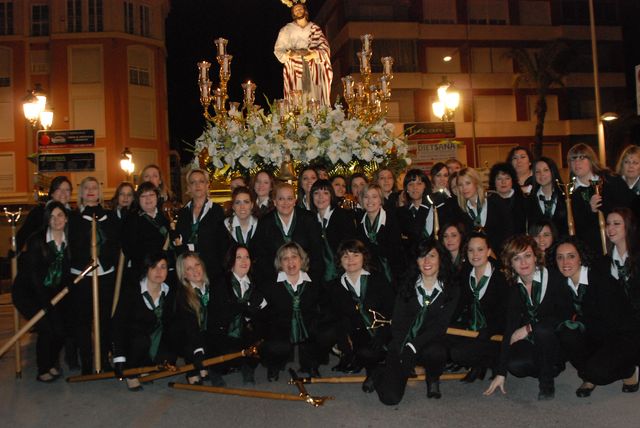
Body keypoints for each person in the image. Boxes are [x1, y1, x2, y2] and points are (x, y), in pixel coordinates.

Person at [484, 235, 571, 400]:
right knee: (515, 366)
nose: (523, 263)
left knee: (543, 330)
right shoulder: (515, 288)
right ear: (510, 263)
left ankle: (547, 383)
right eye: (516, 258)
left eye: (527, 256)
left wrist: (528, 328)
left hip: (558, 339)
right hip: (535, 342)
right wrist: (500, 373)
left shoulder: (554, 278)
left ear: (536, 256)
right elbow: (510, 328)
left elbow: (564, 316)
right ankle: (548, 366)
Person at [374, 239, 460, 404]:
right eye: (421, 257)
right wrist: (402, 348)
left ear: (440, 259)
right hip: (403, 342)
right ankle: (379, 373)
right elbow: (397, 322)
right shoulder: (407, 285)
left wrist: (414, 345)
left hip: (430, 342)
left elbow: (440, 326)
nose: (426, 261)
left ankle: (433, 379)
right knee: (391, 398)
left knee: (437, 352)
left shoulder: (452, 288)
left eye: (432, 256)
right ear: (416, 261)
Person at [554, 237, 638, 397]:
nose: (565, 262)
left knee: (598, 372)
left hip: (621, 337)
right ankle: (589, 375)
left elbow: (615, 325)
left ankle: (628, 370)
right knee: (567, 333)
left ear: (581, 258)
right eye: (560, 257)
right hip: (595, 334)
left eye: (571, 256)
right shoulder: (563, 284)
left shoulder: (600, 281)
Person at [12, 202, 70, 382]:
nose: (56, 220)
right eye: (52, 217)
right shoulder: (37, 240)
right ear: (47, 220)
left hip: (52, 292)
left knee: (61, 330)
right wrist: (44, 302)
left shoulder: (69, 242)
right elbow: (33, 275)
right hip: (28, 292)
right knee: (46, 328)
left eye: (60, 215)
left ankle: (52, 363)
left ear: (66, 218)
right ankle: (43, 368)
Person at [68, 176, 119, 374]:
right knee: (82, 321)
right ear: (81, 193)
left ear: (100, 192)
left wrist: (104, 259)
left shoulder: (110, 217)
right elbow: (72, 245)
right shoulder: (73, 218)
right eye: (86, 187)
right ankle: (87, 361)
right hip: (81, 276)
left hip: (105, 274)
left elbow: (115, 244)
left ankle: (103, 359)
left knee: (104, 319)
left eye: (94, 187)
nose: (90, 190)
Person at [328, 239, 394, 392]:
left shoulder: (377, 278)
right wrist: (344, 342)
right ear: (339, 261)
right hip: (359, 331)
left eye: (355, 255)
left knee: (394, 349)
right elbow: (337, 317)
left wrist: (383, 332)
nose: (350, 260)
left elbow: (391, 308)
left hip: (384, 328)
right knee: (365, 352)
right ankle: (376, 371)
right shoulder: (335, 286)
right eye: (345, 256)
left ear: (364, 257)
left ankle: (378, 371)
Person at [260, 242, 330, 381]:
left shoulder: (314, 282)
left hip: (307, 324)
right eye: (285, 258)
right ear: (280, 263)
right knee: (277, 345)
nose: (290, 262)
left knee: (321, 334)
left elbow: (325, 306)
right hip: (281, 326)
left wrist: (318, 324)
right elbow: (263, 314)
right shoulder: (270, 285)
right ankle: (274, 365)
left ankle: (311, 364)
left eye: (294, 257)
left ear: (301, 260)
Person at [112, 252, 176, 391]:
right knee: (140, 341)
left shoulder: (169, 292)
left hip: (155, 340)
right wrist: (120, 358)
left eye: (163, 267)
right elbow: (118, 324)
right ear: (146, 269)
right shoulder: (132, 291)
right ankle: (132, 373)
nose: (159, 271)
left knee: (169, 354)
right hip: (134, 342)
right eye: (154, 267)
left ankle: (146, 365)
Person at [449, 232, 508, 383]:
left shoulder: (501, 278)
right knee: (447, 344)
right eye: (471, 250)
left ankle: (486, 361)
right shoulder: (466, 273)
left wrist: (487, 332)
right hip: (472, 328)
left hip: (494, 331)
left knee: (461, 352)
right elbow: (459, 304)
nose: (475, 254)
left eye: (480, 249)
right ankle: (479, 362)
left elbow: (504, 316)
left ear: (489, 251)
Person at [210, 245, 267, 385]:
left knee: (262, 342)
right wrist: (245, 307)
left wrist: (252, 314)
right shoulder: (220, 282)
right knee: (228, 351)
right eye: (239, 257)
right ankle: (215, 371)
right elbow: (220, 313)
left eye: (247, 257)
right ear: (231, 261)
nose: (244, 261)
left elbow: (262, 308)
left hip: (246, 329)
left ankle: (247, 367)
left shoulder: (255, 282)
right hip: (224, 330)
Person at [250, 183, 324, 287]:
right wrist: (274, 282)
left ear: (295, 200)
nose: (285, 203)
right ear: (274, 201)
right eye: (281, 199)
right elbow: (262, 257)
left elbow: (317, 253)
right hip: (275, 281)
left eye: (289, 198)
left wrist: (310, 280)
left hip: (306, 279)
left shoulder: (308, 219)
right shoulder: (265, 223)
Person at [568, 143, 634, 255]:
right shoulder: (571, 194)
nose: (577, 163)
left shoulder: (611, 180)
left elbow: (629, 206)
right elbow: (577, 226)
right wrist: (591, 210)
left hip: (621, 243)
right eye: (573, 159)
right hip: (593, 249)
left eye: (582, 158)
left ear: (591, 160)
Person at [602, 207, 640, 392]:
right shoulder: (605, 261)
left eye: (617, 224)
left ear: (628, 227)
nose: (610, 228)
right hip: (619, 322)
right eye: (608, 224)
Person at [274, 1, 333, 106]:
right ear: (293, 13)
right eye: (296, 10)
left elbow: (325, 46)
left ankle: (316, 116)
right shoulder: (286, 29)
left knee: (314, 93)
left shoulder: (314, 28)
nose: (298, 11)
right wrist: (288, 55)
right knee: (297, 92)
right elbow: (278, 49)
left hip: (313, 65)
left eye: (300, 9)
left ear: (305, 11)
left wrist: (315, 54)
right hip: (294, 66)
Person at [173, 252, 217, 386]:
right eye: (189, 268)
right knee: (190, 342)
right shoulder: (182, 295)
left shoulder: (212, 288)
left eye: (197, 265)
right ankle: (192, 372)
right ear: (184, 274)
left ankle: (205, 365)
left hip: (206, 332)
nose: (195, 270)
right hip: (187, 336)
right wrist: (198, 349)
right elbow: (189, 327)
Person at [174, 168, 226, 280]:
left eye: (201, 181)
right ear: (188, 188)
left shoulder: (217, 211)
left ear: (207, 185)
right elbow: (178, 240)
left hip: (212, 269)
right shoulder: (183, 213)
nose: (197, 185)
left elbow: (222, 243)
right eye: (193, 182)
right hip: (188, 269)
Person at [122, 182, 174, 283]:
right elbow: (129, 248)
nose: (148, 199)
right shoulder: (132, 220)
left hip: (166, 270)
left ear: (157, 197)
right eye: (143, 196)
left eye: (151, 195)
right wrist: (151, 263)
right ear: (138, 199)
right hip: (144, 272)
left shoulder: (165, 217)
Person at [356, 184, 404, 287]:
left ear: (380, 200)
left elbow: (396, 252)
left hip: (393, 275)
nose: (370, 201)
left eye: (374, 196)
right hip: (369, 275)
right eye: (366, 197)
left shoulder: (391, 219)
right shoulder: (359, 223)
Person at [456, 167, 514, 252]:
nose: (464, 188)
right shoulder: (461, 211)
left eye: (468, 183)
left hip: (501, 253)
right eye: (460, 185)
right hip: (478, 257)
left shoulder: (494, 200)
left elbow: (509, 227)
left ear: (476, 183)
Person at [309, 179, 356, 284]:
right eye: (316, 193)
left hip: (343, 275)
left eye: (325, 193)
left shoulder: (344, 217)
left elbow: (350, 248)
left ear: (331, 196)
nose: (321, 197)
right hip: (319, 279)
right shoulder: (309, 220)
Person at [17, 176, 72, 253]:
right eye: (59, 189)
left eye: (67, 190)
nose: (63, 193)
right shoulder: (38, 212)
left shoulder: (74, 215)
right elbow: (23, 235)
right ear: (52, 193)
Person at [525, 157, 568, 238]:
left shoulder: (565, 196)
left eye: (546, 170)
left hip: (562, 245)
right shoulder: (529, 199)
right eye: (537, 172)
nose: (542, 174)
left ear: (553, 171)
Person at [489, 162, 526, 233]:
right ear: (494, 181)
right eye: (499, 179)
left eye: (507, 178)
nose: (503, 182)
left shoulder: (522, 199)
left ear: (512, 180)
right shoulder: (488, 201)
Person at [615, 145, 640, 219]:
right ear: (621, 164)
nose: (631, 166)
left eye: (635, 163)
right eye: (627, 162)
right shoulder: (613, 186)